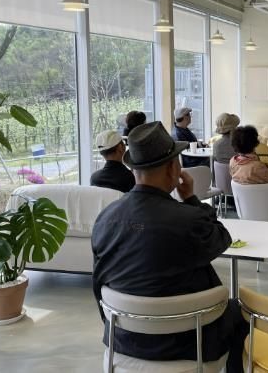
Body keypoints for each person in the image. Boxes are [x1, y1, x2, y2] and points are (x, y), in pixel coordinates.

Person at [91, 122, 248, 372]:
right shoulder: (188, 220)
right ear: (173, 168)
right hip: (192, 344)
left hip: (124, 341)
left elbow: (99, 283)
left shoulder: (105, 219)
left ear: (133, 169)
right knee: (239, 312)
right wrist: (191, 198)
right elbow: (222, 239)